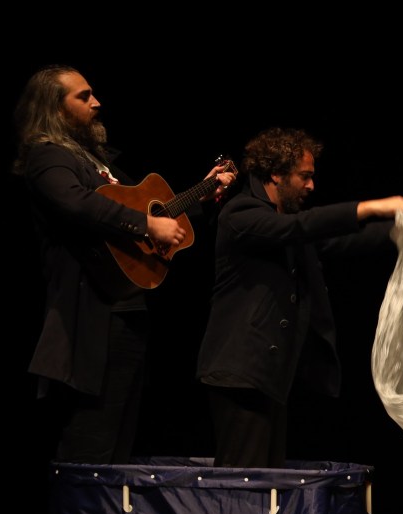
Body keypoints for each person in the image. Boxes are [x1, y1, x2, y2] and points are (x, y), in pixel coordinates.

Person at [13, 64, 236, 465]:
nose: (97, 102)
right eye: (84, 96)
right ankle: (79, 509)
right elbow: (77, 203)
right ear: (55, 107)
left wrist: (200, 195)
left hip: (127, 311)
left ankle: (107, 509)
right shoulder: (48, 157)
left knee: (119, 442)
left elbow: (151, 209)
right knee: (91, 443)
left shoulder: (99, 162)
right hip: (90, 317)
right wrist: (147, 224)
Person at [196, 126, 403, 469]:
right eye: (305, 176)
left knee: (267, 478)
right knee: (244, 479)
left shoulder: (283, 217)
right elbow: (298, 228)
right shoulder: (240, 213)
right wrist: (370, 207)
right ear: (276, 174)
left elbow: (335, 240)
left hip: (269, 374)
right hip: (240, 372)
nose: (311, 185)